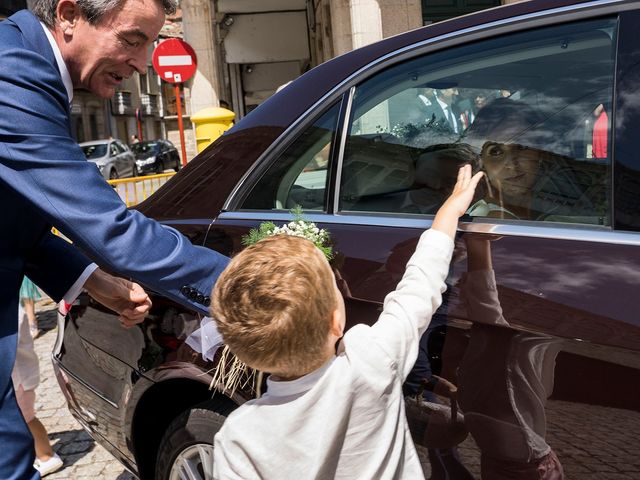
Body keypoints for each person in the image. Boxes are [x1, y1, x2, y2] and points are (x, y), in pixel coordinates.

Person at [0, 1, 229, 477]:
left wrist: (87, 277)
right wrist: (247, 285)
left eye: (150, 44)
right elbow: (114, 231)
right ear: (67, 16)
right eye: (131, 39)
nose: (142, 63)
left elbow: (13, 217)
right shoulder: (11, 72)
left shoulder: (26, 62)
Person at [211, 165, 484, 479]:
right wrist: (448, 213)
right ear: (337, 320)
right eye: (334, 283)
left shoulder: (240, 436)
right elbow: (418, 289)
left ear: (238, 348)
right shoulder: (369, 361)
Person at [13, 303, 64, 477]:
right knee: (24, 419)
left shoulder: (10, 310)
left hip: (19, 380)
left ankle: (46, 456)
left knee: (26, 418)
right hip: (18, 378)